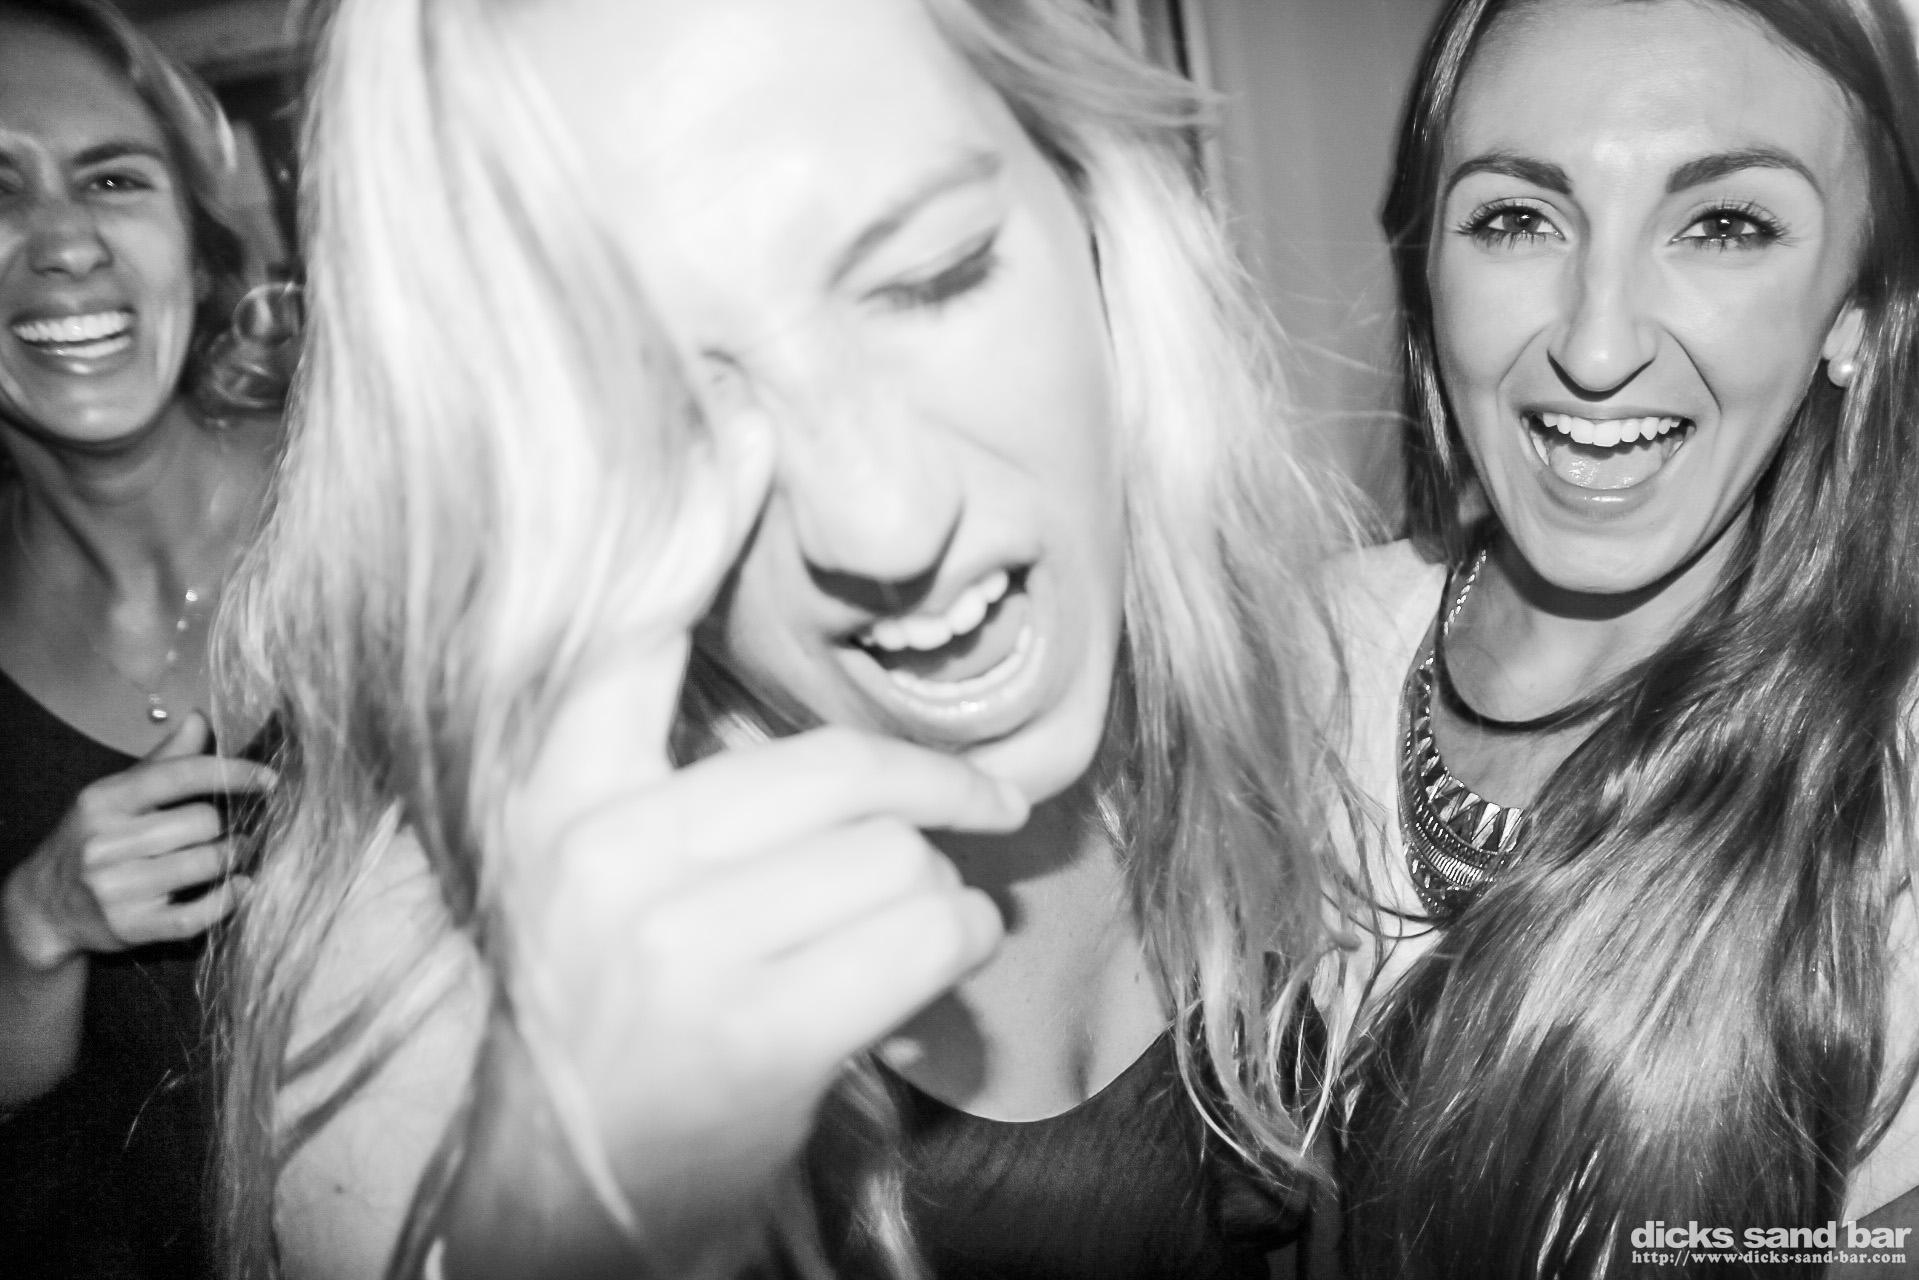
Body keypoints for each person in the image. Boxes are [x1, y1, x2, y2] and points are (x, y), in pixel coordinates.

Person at [215, 0, 1363, 1277]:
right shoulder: (437, 984)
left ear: (1092, 195)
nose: (886, 521)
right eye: (665, 403)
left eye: (933, 275)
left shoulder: (1259, 662)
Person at [1326, 0, 1919, 1274]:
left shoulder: (1895, 796)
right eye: (1515, 218)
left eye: (1724, 225)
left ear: (1857, 314)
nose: (1597, 347)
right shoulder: (1289, 653)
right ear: (1430, 271)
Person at [0, 0, 291, 1275]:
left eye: (114, 177)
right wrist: (36, 923)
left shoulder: (389, 496)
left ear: (201, 245)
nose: (64, 241)